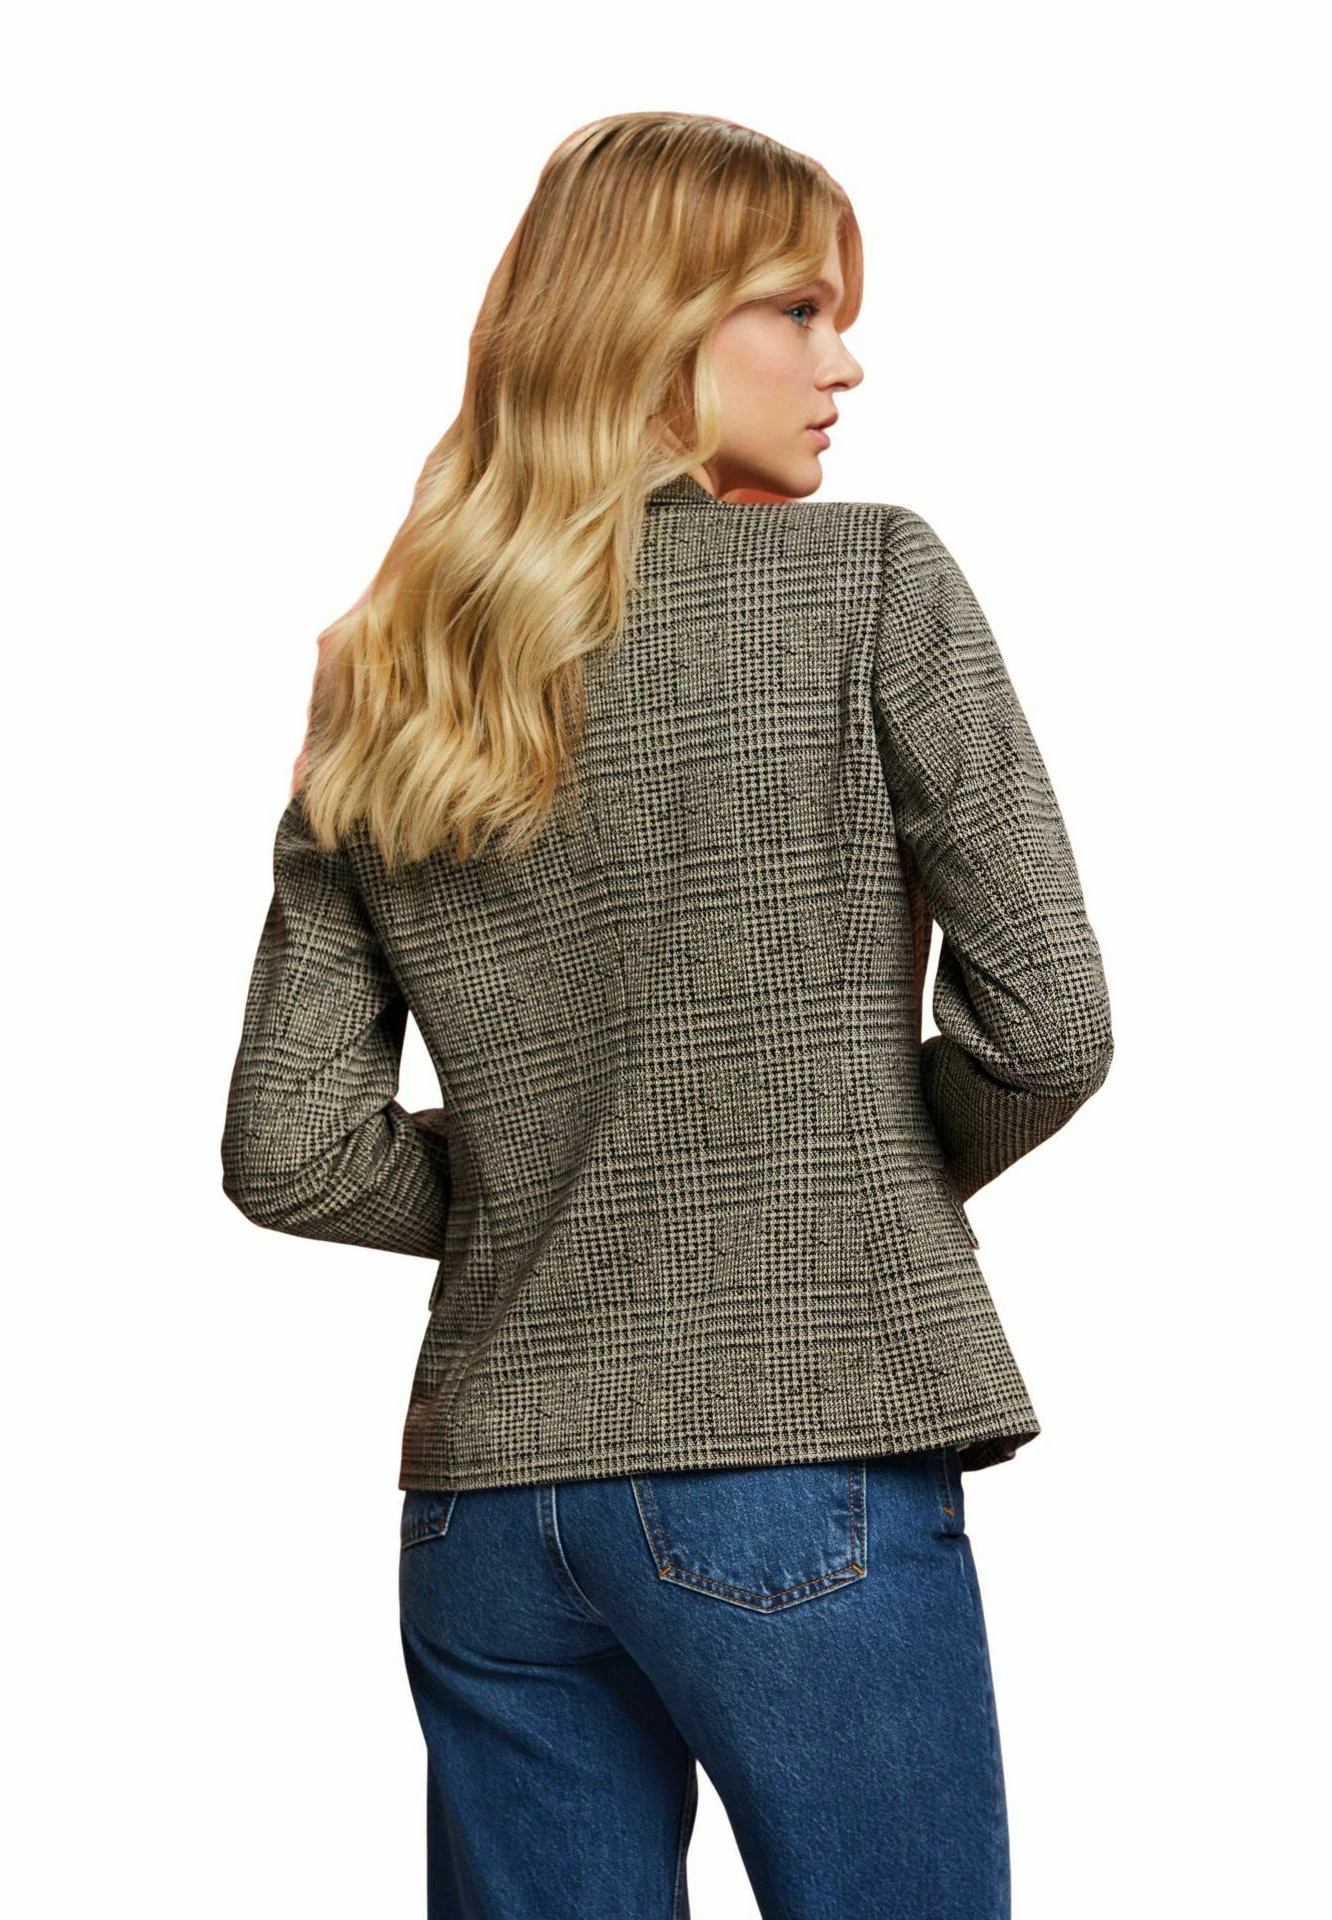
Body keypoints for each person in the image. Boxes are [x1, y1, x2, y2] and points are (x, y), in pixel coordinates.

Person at [221, 110, 1113, 1920]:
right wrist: (821, 1176)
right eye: (796, 309)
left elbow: (291, 1154)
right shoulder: (867, 581)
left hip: (487, 1515)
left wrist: (574, 1189)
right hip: (793, 1462)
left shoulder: (391, 670)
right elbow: (1050, 1029)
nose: (844, 363)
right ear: (651, 319)